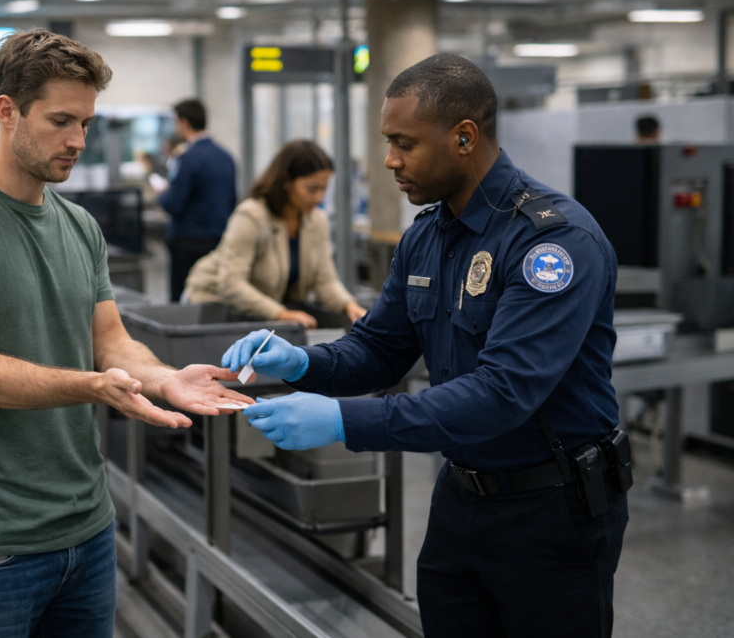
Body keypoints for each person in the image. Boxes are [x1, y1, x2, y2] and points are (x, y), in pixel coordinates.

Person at [223, 55, 627, 637]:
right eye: (388, 142)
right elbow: (378, 349)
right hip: (461, 498)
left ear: (464, 137)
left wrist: (343, 421)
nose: (390, 160)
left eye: (404, 143)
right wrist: (303, 362)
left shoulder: (551, 243)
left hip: (550, 509)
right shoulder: (427, 237)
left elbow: (502, 393)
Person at [0, 29, 251, 638]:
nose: (78, 141)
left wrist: (162, 378)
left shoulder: (79, 225)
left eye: (85, 123)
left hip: (87, 531)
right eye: (61, 121)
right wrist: (92, 387)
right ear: (7, 111)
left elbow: (110, 341)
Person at [184, 140, 368, 328]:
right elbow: (231, 283)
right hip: (212, 306)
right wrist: (281, 314)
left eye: (324, 188)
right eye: (311, 188)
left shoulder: (316, 221)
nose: (319, 197)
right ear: (287, 182)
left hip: (258, 313)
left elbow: (325, 280)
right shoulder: (252, 215)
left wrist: (349, 305)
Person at [158, 98, 237, 302]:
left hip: (188, 244)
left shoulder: (186, 158)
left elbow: (174, 203)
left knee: (182, 302)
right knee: (212, 299)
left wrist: (162, 193)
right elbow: (232, 200)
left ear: (184, 123)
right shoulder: (226, 157)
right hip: (219, 242)